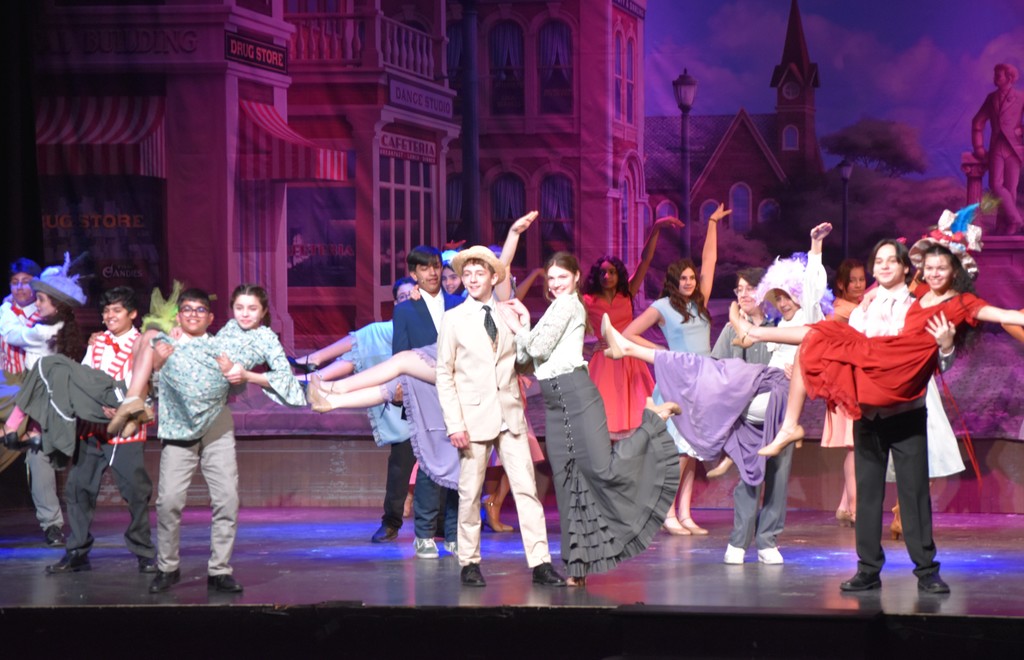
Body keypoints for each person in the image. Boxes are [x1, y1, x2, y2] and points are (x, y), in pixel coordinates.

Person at [732, 232, 1024, 593]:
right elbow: (841, 339)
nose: (884, 266)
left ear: (906, 268)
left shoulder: (918, 304)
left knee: (913, 495)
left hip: (906, 409)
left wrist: (947, 346)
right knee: (867, 495)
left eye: (891, 261)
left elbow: (934, 358)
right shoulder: (865, 307)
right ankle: (867, 569)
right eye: (879, 261)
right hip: (868, 409)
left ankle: (926, 571)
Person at [499, 252, 680, 586]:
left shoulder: (570, 305)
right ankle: (577, 566)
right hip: (556, 404)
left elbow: (535, 349)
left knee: (602, 470)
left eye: (562, 277)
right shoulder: (554, 308)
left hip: (578, 396)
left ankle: (652, 421)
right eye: (551, 279)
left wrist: (519, 327)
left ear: (576, 278)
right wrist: (524, 328)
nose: (555, 284)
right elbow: (524, 359)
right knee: (568, 483)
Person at [143, 285, 305, 594]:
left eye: (252, 308)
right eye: (240, 307)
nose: (245, 314)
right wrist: (160, 360)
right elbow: (152, 379)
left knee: (227, 499)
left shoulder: (259, 339)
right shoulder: (208, 336)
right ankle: (167, 567)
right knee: (169, 501)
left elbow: (281, 379)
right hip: (179, 425)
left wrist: (245, 376)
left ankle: (219, 570)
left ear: (264, 311)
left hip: (216, 422)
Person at [434, 246, 565, 588]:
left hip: (510, 413)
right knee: (469, 493)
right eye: (467, 274)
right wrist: (454, 423)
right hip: (473, 418)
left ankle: (540, 562)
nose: (472, 279)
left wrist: (524, 326)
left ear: (494, 278)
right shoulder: (454, 319)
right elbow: (444, 374)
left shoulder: (508, 313)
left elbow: (525, 364)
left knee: (527, 490)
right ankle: (469, 562)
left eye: (479, 274)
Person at [622, 204, 725, 536]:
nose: (690, 282)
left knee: (693, 450)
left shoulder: (700, 302)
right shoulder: (663, 307)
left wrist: (711, 223)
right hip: (676, 381)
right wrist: (663, 353)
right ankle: (666, 513)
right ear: (673, 281)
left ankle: (685, 512)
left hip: (702, 381)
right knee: (678, 450)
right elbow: (628, 334)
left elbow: (710, 261)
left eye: (692, 277)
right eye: (683, 278)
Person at [45, 287, 157, 575]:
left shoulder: (143, 344)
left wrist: (121, 407)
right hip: (92, 427)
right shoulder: (96, 343)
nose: (110, 316)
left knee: (135, 491)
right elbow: (83, 378)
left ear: (132, 314)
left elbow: (144, 383)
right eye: (106, 311)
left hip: (125, 430)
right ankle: (77, 552)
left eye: (117, 310)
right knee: (78, 489)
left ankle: (144, 551)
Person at [367, 246, 465, 549]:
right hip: (420, 394)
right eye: (424, 268)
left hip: (454, 394)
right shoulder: (406, 309)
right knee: (408, 460)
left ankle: (448, 530)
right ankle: (397, 523)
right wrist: (399, 386)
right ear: (414, 274)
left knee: (453, 463)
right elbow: (401, 352)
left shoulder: (459, 304)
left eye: (435, 266)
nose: (432, 273)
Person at [708, 267, 795, 565]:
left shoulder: (780, 326)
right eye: (740, 289)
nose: (744, 294)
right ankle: (739, 541)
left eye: (750, 288)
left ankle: (768, 540)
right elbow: (716, 368)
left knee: (778, 477)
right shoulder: (731, 329)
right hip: (746, 415)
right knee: (749, 476)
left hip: (779, 414)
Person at [582, 217, 683, 434]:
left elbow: (645, 260)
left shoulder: (627, 293)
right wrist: (587, 349)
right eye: (602, 272)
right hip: (605, 359)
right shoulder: (588, 301)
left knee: (638, 415)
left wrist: (656, 227)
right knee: (604, 416)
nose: (607, 276)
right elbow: (570, 331)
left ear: (618, 274)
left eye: (611, 272)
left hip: (630, 357)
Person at [0, 257, 66, 545]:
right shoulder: (3, 312)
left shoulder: (46, 313)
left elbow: (23, 338)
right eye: (14, 282)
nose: (20, 288)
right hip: (6, 385)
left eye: (26, 282)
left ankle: (52, 525)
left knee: (40, 456)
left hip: (37, 385)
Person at [823, 258, 866, 526]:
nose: (859, 285)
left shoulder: (857, 306)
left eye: (862, 279)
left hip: (857, 382)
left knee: (857, 445)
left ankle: (843, 506)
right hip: (846, 385)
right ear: (841, 284)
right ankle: (855, 509)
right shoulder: (842, 310)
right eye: (853, 281)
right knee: (856, 446)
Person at [972, 63, 1024, 234]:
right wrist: (979, 147)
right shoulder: (991, 98)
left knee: (1010, 189)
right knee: (995, 184)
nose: (995, 78)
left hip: (1015, 149)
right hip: (996, 147)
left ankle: (1006, 226)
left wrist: (1021, 131)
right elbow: (978, 122)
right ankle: (1016, 219)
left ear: (1009, 78)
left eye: (998, 75)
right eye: (995, 75)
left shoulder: (1021, 97)